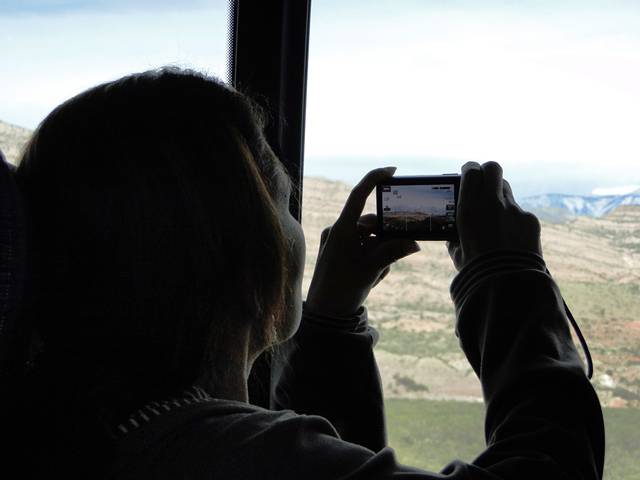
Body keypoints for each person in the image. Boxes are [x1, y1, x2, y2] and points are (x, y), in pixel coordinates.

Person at [12, 68, 604, 479]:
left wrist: (332, 319)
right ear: (247, 249)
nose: (301, 232)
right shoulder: (227, 460)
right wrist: (507, 274)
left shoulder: (79, 429)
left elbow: (326, 459)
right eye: (284, 204)